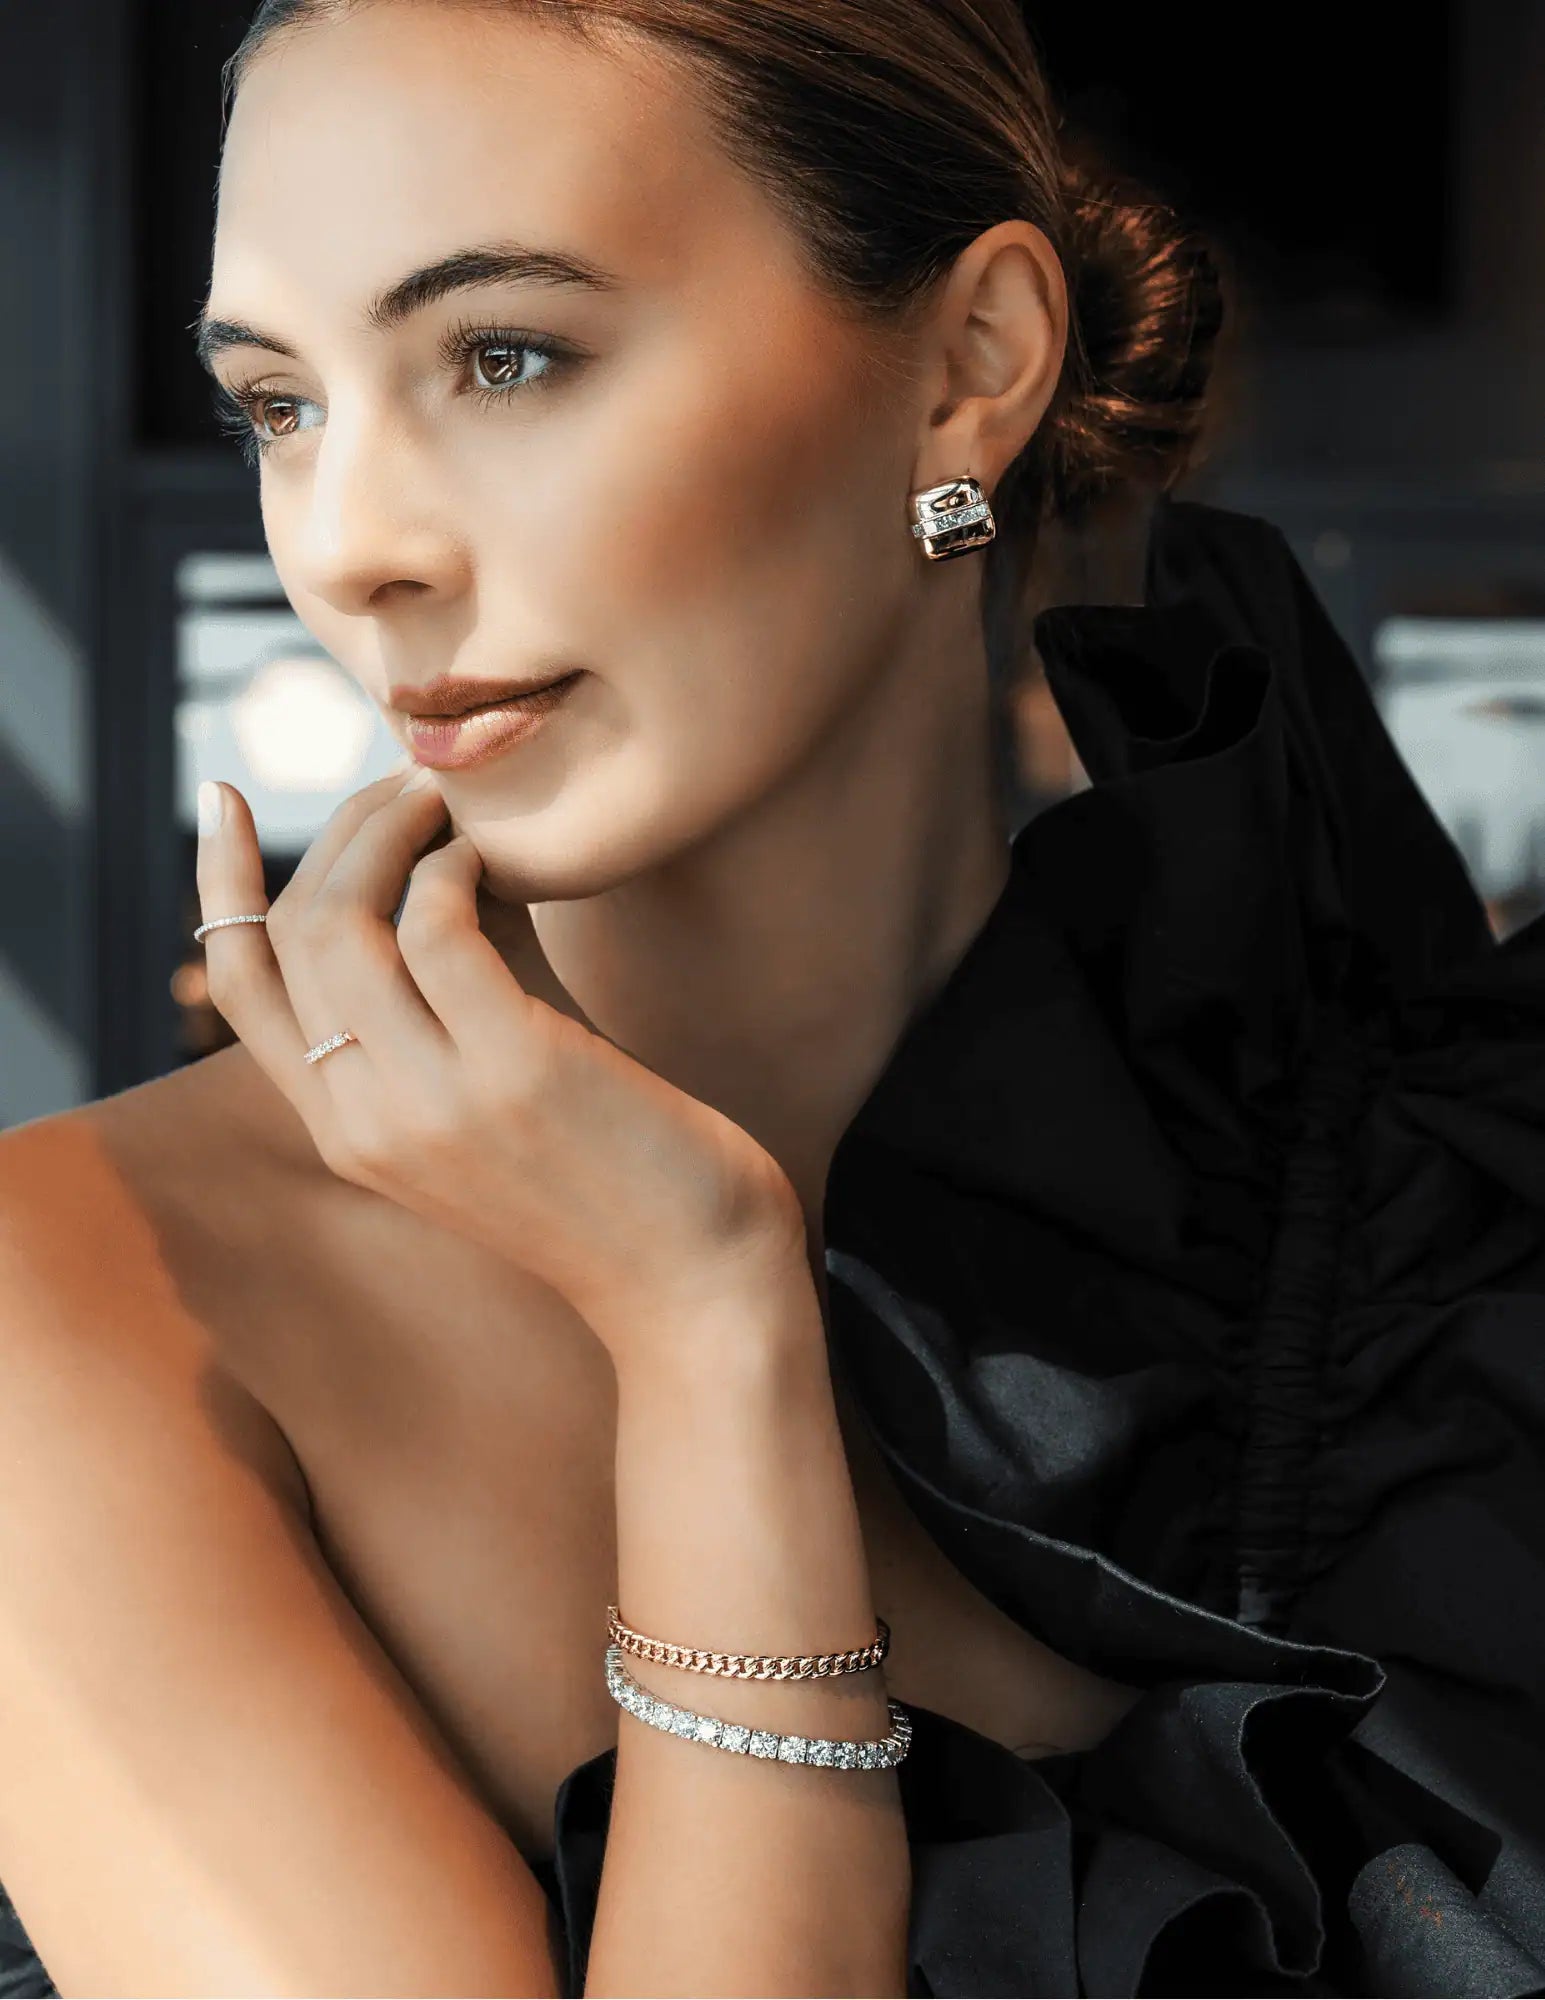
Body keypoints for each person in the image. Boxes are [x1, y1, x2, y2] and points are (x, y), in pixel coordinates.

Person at [2, 1, 1543, 1994]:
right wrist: (706, 1328)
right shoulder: (92, 1303)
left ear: (968, 368)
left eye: (504, 356)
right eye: (280, 402)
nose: (352, 544)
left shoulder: (1439, 1200)